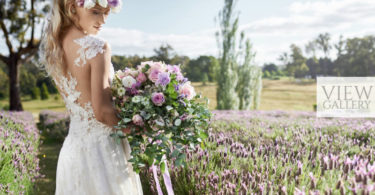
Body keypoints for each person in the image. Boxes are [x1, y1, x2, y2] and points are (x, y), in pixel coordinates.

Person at [38, 0, 144, 194]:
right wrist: (140, 130)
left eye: (106, 13)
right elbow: (102, 112)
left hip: (72, 151)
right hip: (103, 153)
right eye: (96, 12)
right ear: (72, 7)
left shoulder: (56, 48)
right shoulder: (98, 47)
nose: (102, 20)